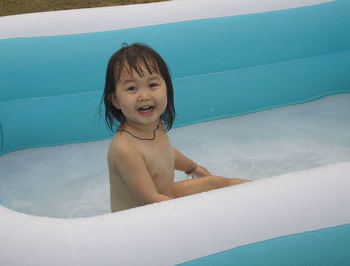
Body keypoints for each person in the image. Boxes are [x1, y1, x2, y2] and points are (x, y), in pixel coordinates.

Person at [101, 43, 249, 212]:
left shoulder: (156, 125)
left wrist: (192, 167)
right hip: (141, 218)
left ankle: (265, 192)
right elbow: (151, 199)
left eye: (152, 85)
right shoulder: (125, 149)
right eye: (132, 88)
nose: (144, 96)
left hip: (164, 197)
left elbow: (164, 152)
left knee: (218, 183)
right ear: (115, 100)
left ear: (167, 87)